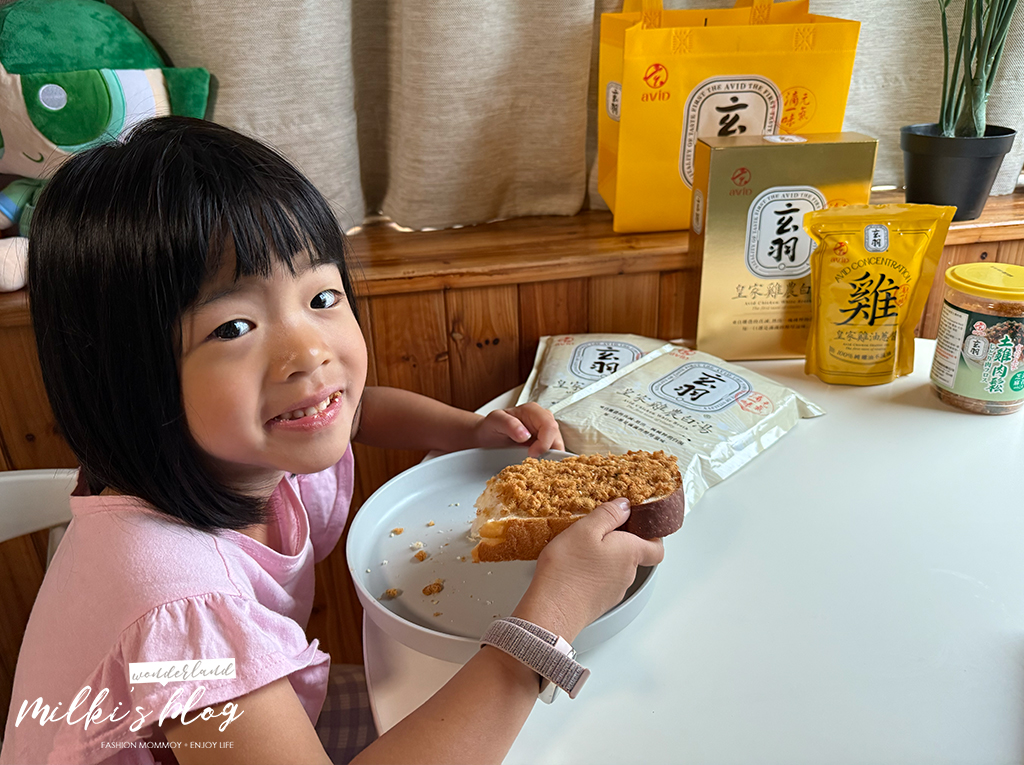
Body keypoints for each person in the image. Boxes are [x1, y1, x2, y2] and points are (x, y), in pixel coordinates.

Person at [0, 117, 665, 765]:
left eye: (320, 297)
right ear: (124, 377)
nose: (310, 351)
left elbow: (357, 411)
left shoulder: (239, 442)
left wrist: (464, 427)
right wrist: (551, 614)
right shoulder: (181, 607)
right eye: (233, 327)